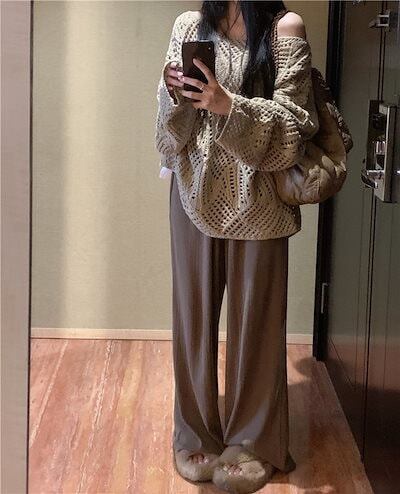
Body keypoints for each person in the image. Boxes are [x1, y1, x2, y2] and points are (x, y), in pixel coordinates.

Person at [155, 1, 319, 492]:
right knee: (193, 321)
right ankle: (194, 432)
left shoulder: (285, 28)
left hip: (262, 202)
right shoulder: (190, 24)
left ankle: (253, 439)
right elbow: (168, 138)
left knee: (258, 325)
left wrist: (228, 104)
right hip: (192, 194)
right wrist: (173, 95)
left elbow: (294, 129)